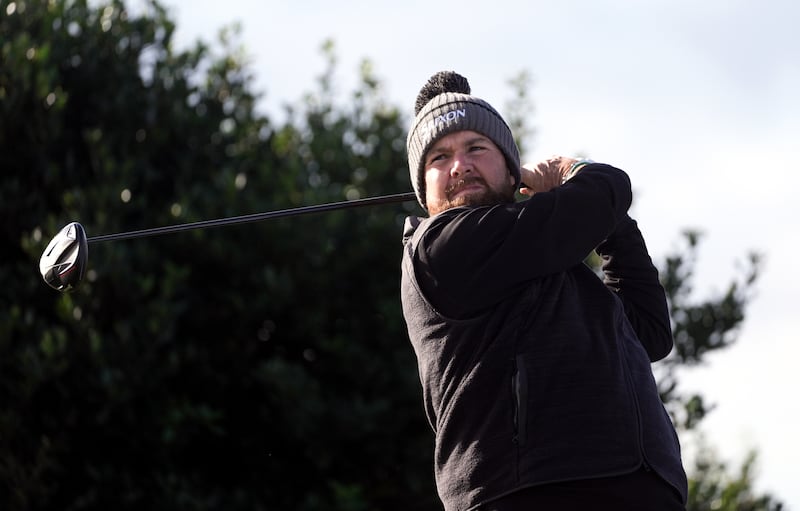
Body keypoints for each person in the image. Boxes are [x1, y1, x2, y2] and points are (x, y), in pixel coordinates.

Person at [400, 70, 688, 511]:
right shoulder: (441, 247)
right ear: (424, 191)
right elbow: (609, 186)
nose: (460, 165)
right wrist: (572, 173)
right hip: (526, 492)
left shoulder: (551, 264)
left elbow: (649, 331)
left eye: (476, 147)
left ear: (511, 169)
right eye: (439, 158)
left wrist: (614, 225)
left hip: (640, 486)